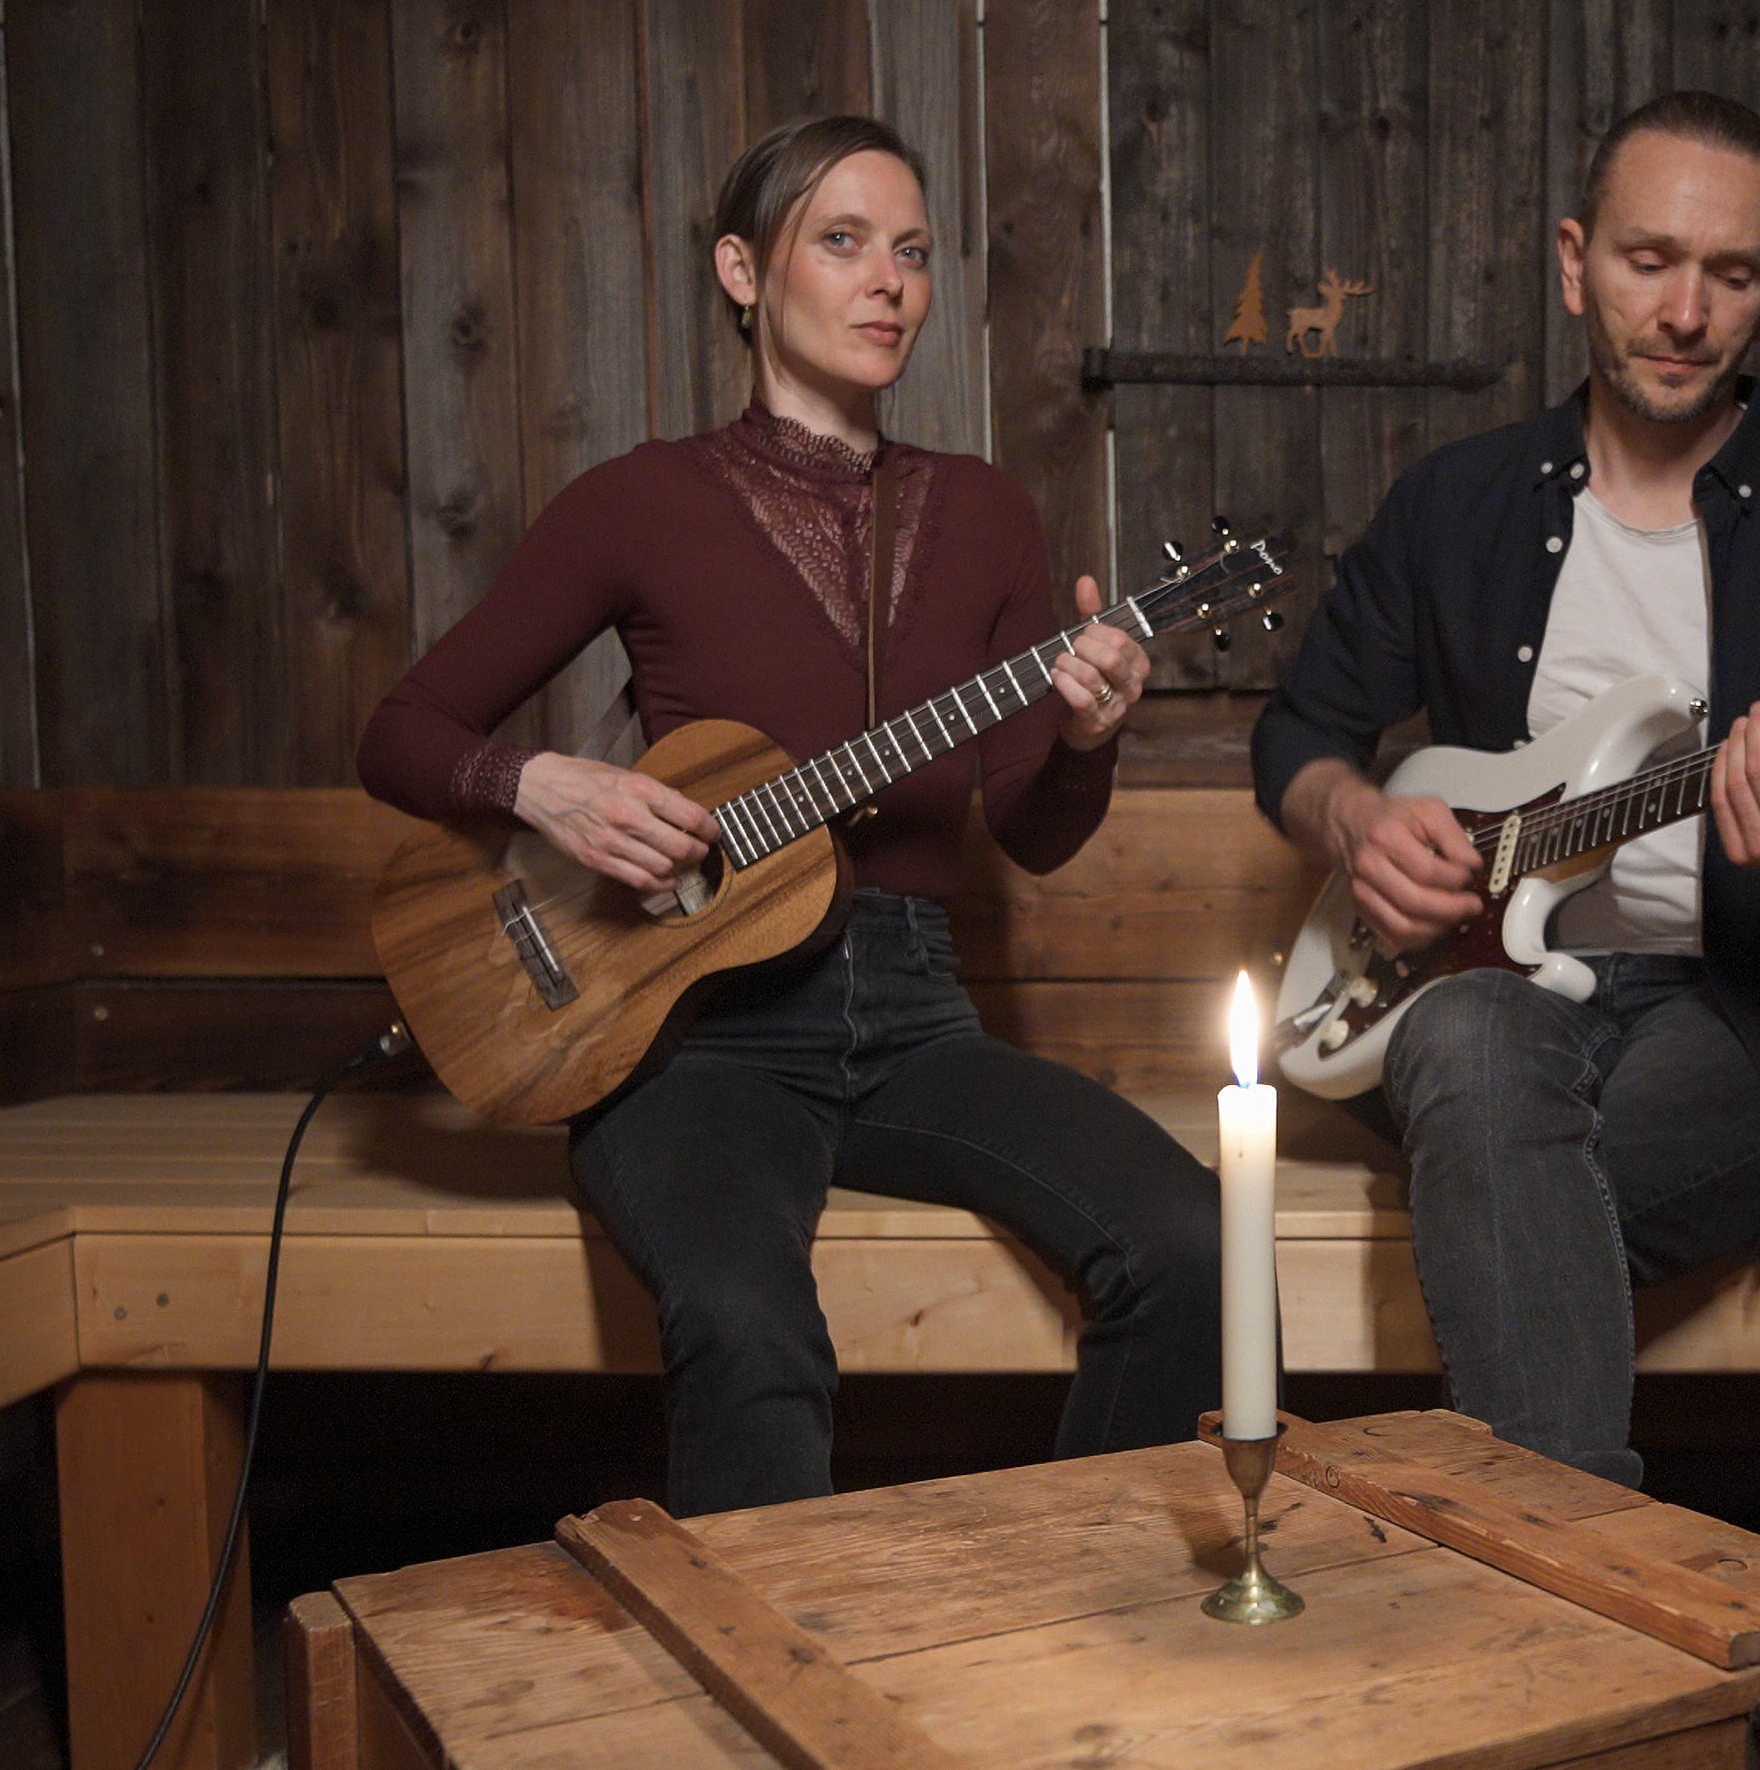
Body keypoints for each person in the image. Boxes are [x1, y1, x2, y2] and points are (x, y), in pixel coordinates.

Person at [359, 115, 1222, 1514]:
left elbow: (1036, 830)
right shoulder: (635, 502)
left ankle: (1085, 1625)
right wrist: (546, 784)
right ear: (744, 272)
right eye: (843, 242)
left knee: (1189, 1237)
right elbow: (399, 732)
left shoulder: (990, 513)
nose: (888, 282)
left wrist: (1082, 738)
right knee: (749, 1328)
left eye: (914, 254)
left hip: (915, 1015)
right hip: (690, 1028)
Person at [1252, 91, 1760, 1486]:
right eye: (1648, 261)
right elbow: (1298, 734)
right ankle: (1601, 1603)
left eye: (1732, 272)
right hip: (1487, 993)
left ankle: (1538, 1582)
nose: (1684, 310)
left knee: (1516, 1182)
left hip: (1751, 1020)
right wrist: (1354, 818)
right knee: (1469, 1045)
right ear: (1573, 259)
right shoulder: (1453, 502)